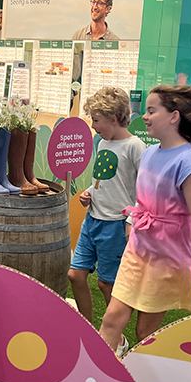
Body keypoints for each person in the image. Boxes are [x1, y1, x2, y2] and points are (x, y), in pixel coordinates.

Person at [99, 84, 191, 354]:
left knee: (146, 333)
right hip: (137, 251)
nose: (144, 116)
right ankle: (99, 372)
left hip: (167, 258)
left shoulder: (189, 162)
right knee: (111, 319)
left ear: (174, 117)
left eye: (152, 110)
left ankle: (145, 377)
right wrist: (132, 222)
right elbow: (142, 200)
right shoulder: (149, 153)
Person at [68, 87, 146, 330]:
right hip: (92, 219)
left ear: (113, 119)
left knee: (106, 284)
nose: (93, 126)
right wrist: (89, 193)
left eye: (96, 120)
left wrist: (131, 220)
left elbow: (146, 189)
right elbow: (102, 180)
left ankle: (115, 335)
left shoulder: (136, 146)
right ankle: (88, 329)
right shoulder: (102, 143)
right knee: (75, 275)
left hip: (115, 225)